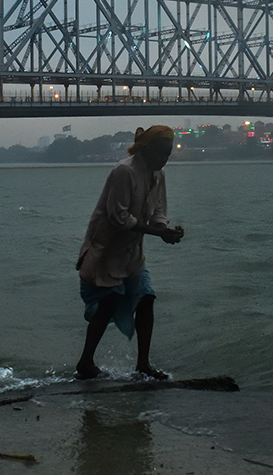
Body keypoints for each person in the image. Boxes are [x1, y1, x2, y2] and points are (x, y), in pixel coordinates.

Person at [75, 125, 184, 380]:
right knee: (107, 303)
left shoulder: (158, 175)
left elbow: (158, 211)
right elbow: (118, 217)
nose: (164, 159)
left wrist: (164, 230)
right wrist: (159, 233)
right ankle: (85, 362)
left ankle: (143, 364)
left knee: (146, 298)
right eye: (161, 153)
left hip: (132, 250)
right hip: (106, 249)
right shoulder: (125, 172)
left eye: (168, 154)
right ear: (146, 150)